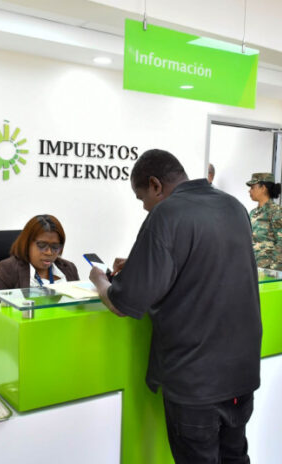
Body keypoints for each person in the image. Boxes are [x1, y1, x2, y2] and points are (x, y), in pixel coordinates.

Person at [89, 149, 262, 464]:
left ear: (155, 185)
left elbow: (124, 302)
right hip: (241, 375)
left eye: (142, 198)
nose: (145, 207)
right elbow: (205, 265)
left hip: (196, 381)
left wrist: (100, 280)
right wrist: (144, 264)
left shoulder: (166, 214)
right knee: (235, 457)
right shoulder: (234, 206)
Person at [0, 214, 79, 342]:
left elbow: (80, 310)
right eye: (42, 245)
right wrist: (26, 334)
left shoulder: (68, 269)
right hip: (27, 342)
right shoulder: (9, 269)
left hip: (66, 340)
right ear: (27, 243)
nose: (49, 252)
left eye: (55, 246)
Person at [246, 172, 282, 271]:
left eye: (253, 187)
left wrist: (273, 268)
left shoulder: (276, 211)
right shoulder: (253, 212)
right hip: (254, 266)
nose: (249, 191)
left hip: (269, 268)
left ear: (263, 188)